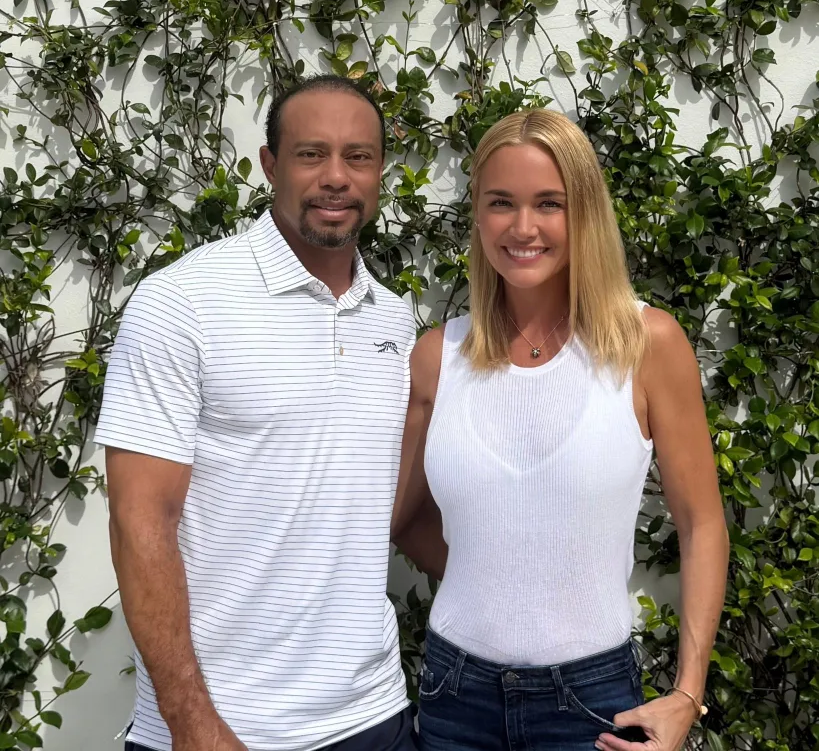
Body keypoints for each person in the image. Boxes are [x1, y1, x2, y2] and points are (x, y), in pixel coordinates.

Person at [96, 75, 421, 751]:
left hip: (374, 717)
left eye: (358, 156)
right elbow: (138, 521)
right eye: (311, 154)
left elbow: (383, 511)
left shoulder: (394, 320)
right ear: (270, 165)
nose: (336, 177)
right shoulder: (181, 303)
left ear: (380, 172)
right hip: (224, 728)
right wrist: (192, 722)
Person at [392, 109, 729, 751]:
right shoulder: (438, 356)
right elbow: (402, 518)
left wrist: (688, 693)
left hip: (592, 703)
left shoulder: (647, 345)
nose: (524, 228)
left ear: (585, 213)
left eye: (550, 203)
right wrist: (498, 572)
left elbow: (701, 524)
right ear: (477, 214)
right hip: (455, 697)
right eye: (501, 202)